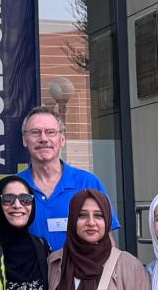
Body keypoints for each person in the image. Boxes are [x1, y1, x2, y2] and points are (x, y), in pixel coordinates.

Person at [17, 107, 118, 250]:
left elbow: (107, 239)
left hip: (80, 271)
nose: (43, 139)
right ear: (24, 140)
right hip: (29, 272)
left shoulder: (88, 183)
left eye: (51, 132)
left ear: (62, 139)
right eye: (35, 132)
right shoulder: (14, 187)